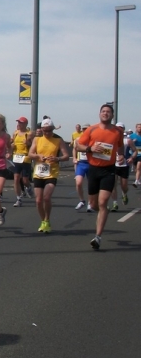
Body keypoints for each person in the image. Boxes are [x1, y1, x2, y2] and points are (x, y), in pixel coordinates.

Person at [75, 104, 125, 250]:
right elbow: (79, 146)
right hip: (93, 169)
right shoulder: (92, 129)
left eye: (108, 112)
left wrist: (120, 155)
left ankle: (98, 237)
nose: (105, 113)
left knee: (103, 203)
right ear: (99, 114)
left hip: (108, 170)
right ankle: (102, 212)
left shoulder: (118, 131)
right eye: (103, 111)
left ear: (112, 115)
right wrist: (90, 148)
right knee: (94, 204)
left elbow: (120, 145)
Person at [28, 118, 69, 233]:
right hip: (38, 172)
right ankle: (43, 221)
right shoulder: (37, 139)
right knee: (38, 200)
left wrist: (57, 158)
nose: (47, 133)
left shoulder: (58, 140)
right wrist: (38, 156)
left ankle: (47, 219)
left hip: (52, 172)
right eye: (45, 130)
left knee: (46, 197)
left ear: (53, 129)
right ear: (41, 129)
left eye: (49, 130)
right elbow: (30, 154)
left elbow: (66, 155)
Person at [109, 123, 136, 211]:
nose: (119, 129)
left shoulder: (128, 140)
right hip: (113, 164)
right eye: (118, 128)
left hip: (124, 164)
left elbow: (135, 151)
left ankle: (124, 194)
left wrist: (131, 158)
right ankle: (115, 203)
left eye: (121, 128)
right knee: (113, 184)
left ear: (124, 129)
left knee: (124, 185)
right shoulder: (111, 139)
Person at [11, 116, 33, 207]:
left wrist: (28, 143)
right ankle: (18, 198)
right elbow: (11, 143)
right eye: (18, 122)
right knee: (16, 178)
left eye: (21, 123)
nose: (19, 124)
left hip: (26, 158)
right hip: (16, 157)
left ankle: (28, 187)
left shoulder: (29, 134)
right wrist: (11, 146)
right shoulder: (15, 133)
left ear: (25, 124)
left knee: (25, 180)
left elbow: (33, 145)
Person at [74, 124, 91, 211]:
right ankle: (82, 201)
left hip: (91, 163)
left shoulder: (93, 140)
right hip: (81, 163)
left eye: (87, 129)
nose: (85, 131)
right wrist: (74, 158)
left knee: (91, 184)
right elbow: (75, 149)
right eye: (84, 129)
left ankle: (90, 203)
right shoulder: (78, 139)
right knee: (78, 182)